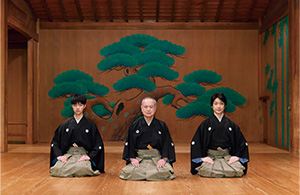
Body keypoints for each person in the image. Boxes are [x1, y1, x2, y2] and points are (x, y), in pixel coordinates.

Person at [190, 93, 249, 178]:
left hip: (226, 156)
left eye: (221, 103)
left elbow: (241, 142)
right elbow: (196, 142)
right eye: (216, 103)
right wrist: (203, 158)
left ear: (225, 106)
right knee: (206, 170)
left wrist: (237, 157)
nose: (218, 106)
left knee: (237, 170)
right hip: (211, 157)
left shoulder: (231, 125)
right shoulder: (205, 124)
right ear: (212, 106)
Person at [119, 97, 176, 181]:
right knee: (129, 172)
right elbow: (130, 143)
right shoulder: (135, 125)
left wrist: (164, 159)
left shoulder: (162, 125)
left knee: (166, 172)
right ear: (141, 108)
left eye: (151, 107)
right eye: (145, 107)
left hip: (156, 158)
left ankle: (149, 174)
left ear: (155, 108)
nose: (148, 109)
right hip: (140, 158)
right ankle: (150, 175)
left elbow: (167, 143)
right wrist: (132, 158)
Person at [50, 94, 105, 177]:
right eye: (75, 105)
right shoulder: (65, 125)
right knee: (57, 169)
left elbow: (98, 145)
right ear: (72, 106)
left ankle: (71, 170)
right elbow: (55, 143)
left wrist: (89, 157)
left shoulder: (90, 125)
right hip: (68, 154)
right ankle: (72, 170)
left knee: (83, 168)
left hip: (83, 155)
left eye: (80, 105)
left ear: (84, 106)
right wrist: (60, 156)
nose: (77, 108)